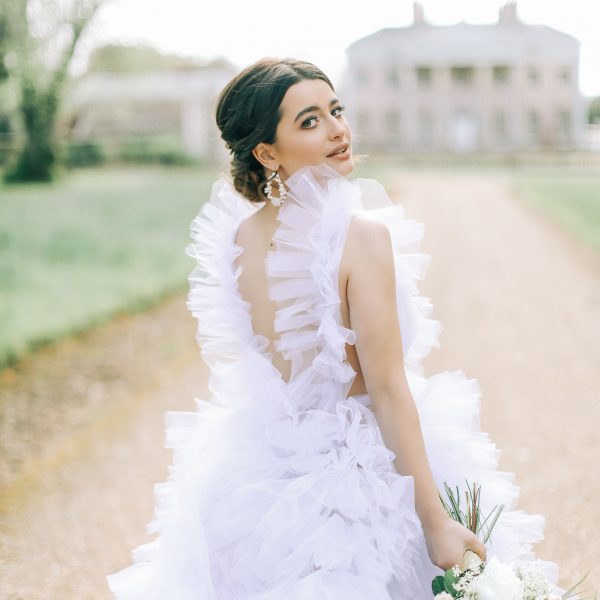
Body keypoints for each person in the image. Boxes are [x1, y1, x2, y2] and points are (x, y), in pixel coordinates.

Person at [106, 57, 562, 599]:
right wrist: (435, 521)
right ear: (266, 152)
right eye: (309, 121)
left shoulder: (237, 239)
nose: (337, 129)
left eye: (335, 110)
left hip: (262, 474)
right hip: (361, 472)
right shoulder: (360, 235)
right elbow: (387, 389)